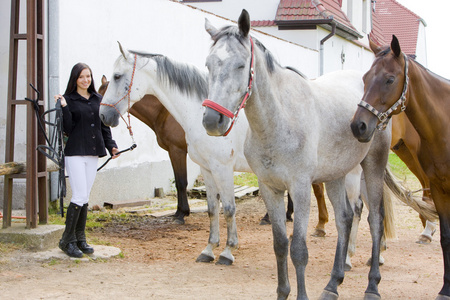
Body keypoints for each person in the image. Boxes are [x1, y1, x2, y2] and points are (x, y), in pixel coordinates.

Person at [54, 63, 120, 258]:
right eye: (82, 77)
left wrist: (112, 147)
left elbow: (104, 127)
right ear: (75, 79)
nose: (86, 80)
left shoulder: (98, 99)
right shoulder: (68, 100)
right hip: (75, 153)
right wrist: (64, 107)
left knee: (84, 196)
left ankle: (79, 238)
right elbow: (66, 128)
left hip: (93, 153)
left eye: (88, 76)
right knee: (79, 195)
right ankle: (67, 240)